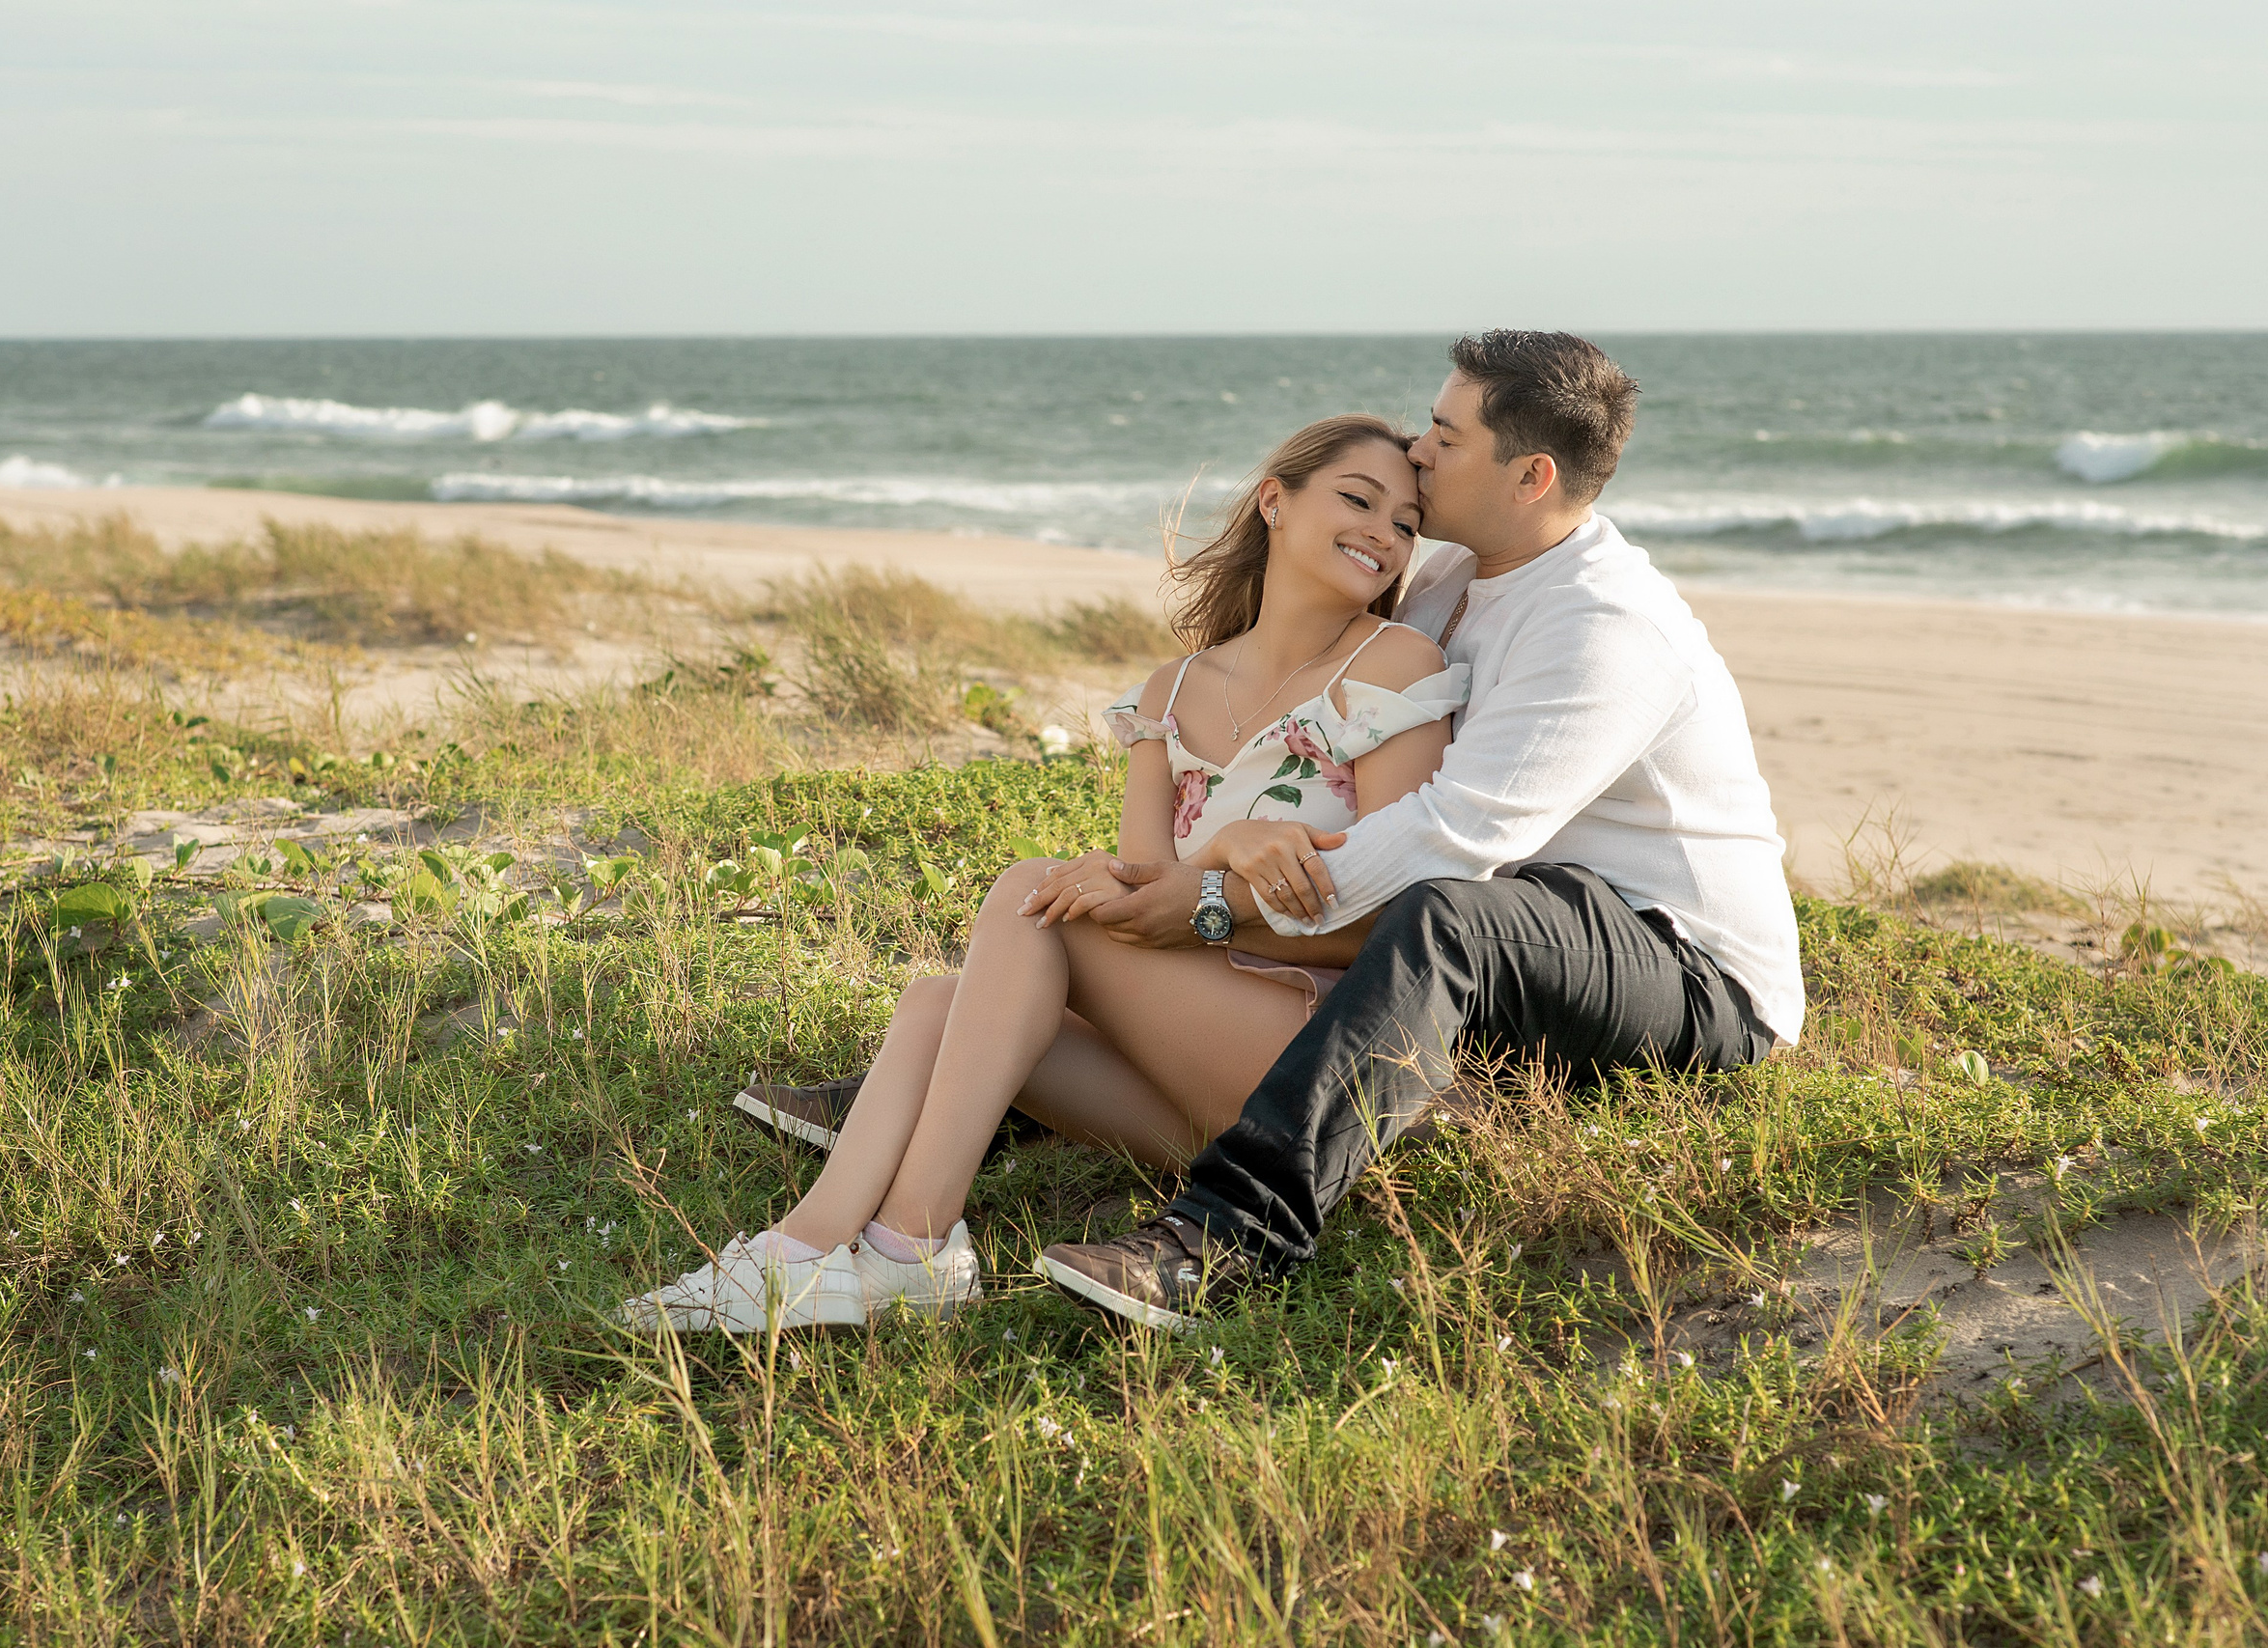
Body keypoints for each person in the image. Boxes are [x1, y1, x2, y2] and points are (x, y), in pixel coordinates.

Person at [1032, 329, 1805, 1329]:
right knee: (1408, 923)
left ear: (1528, 475)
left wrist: (1216, 903)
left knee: (1449, 915)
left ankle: (1228, 1238)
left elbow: (1449, 839)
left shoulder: (1604, 626)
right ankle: (986, 1061)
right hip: (1531, 937)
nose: (1417, 447)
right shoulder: (1453, 579)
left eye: (1445, 434)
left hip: (1682, 968)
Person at [626, 414, 1464, 1332]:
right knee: (941, 1005)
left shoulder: (1393, 667)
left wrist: (1212, 882)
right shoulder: (1172, 692)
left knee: (1039, 895)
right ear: (1276, 500)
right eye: (1358, 499)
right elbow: (1139, 887)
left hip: (1326, 1067)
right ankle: (798, 1248)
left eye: (1409, 522)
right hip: (1194, 1069)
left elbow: (1402, 924)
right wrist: (1213, 859)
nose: (1385, 532)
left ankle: (907, 1245)